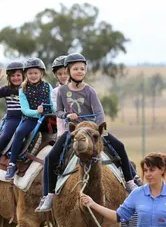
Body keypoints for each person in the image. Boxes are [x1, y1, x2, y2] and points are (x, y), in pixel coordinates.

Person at [36, 52, 140, 212]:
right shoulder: (62, 91)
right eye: (76, 69)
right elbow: (58, 111)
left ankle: (129, 181)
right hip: (73, 131)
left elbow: (99, 111)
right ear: (69, 70)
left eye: (82, 69)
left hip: (92, 130)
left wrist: (97, 129)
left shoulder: (90, 91)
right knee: (51, 157)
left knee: (119, 146)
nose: (79, 71)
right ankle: (48, 195)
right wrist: (66, 115)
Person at [4, 57, 55, 180]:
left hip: (48, 119)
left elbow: (53, 103)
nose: (33, 75)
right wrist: (36, 112)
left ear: (41, 73)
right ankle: (12, 164)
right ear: (26, 74)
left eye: (36, 73)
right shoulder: (23, 89)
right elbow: (24, 109)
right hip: (32, 119)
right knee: (20, 132)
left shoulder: (48, 86)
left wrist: (53, 111)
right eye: (30, 73)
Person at [51, 55, 68, 137]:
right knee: (57, 149)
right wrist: (66, 114)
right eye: (60, 74)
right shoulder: (55, 92)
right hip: (63, 130)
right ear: (56, 75)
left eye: (66, 73)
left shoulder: (80, 89)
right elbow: (56, 108)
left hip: (81, 127)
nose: (63, 76)